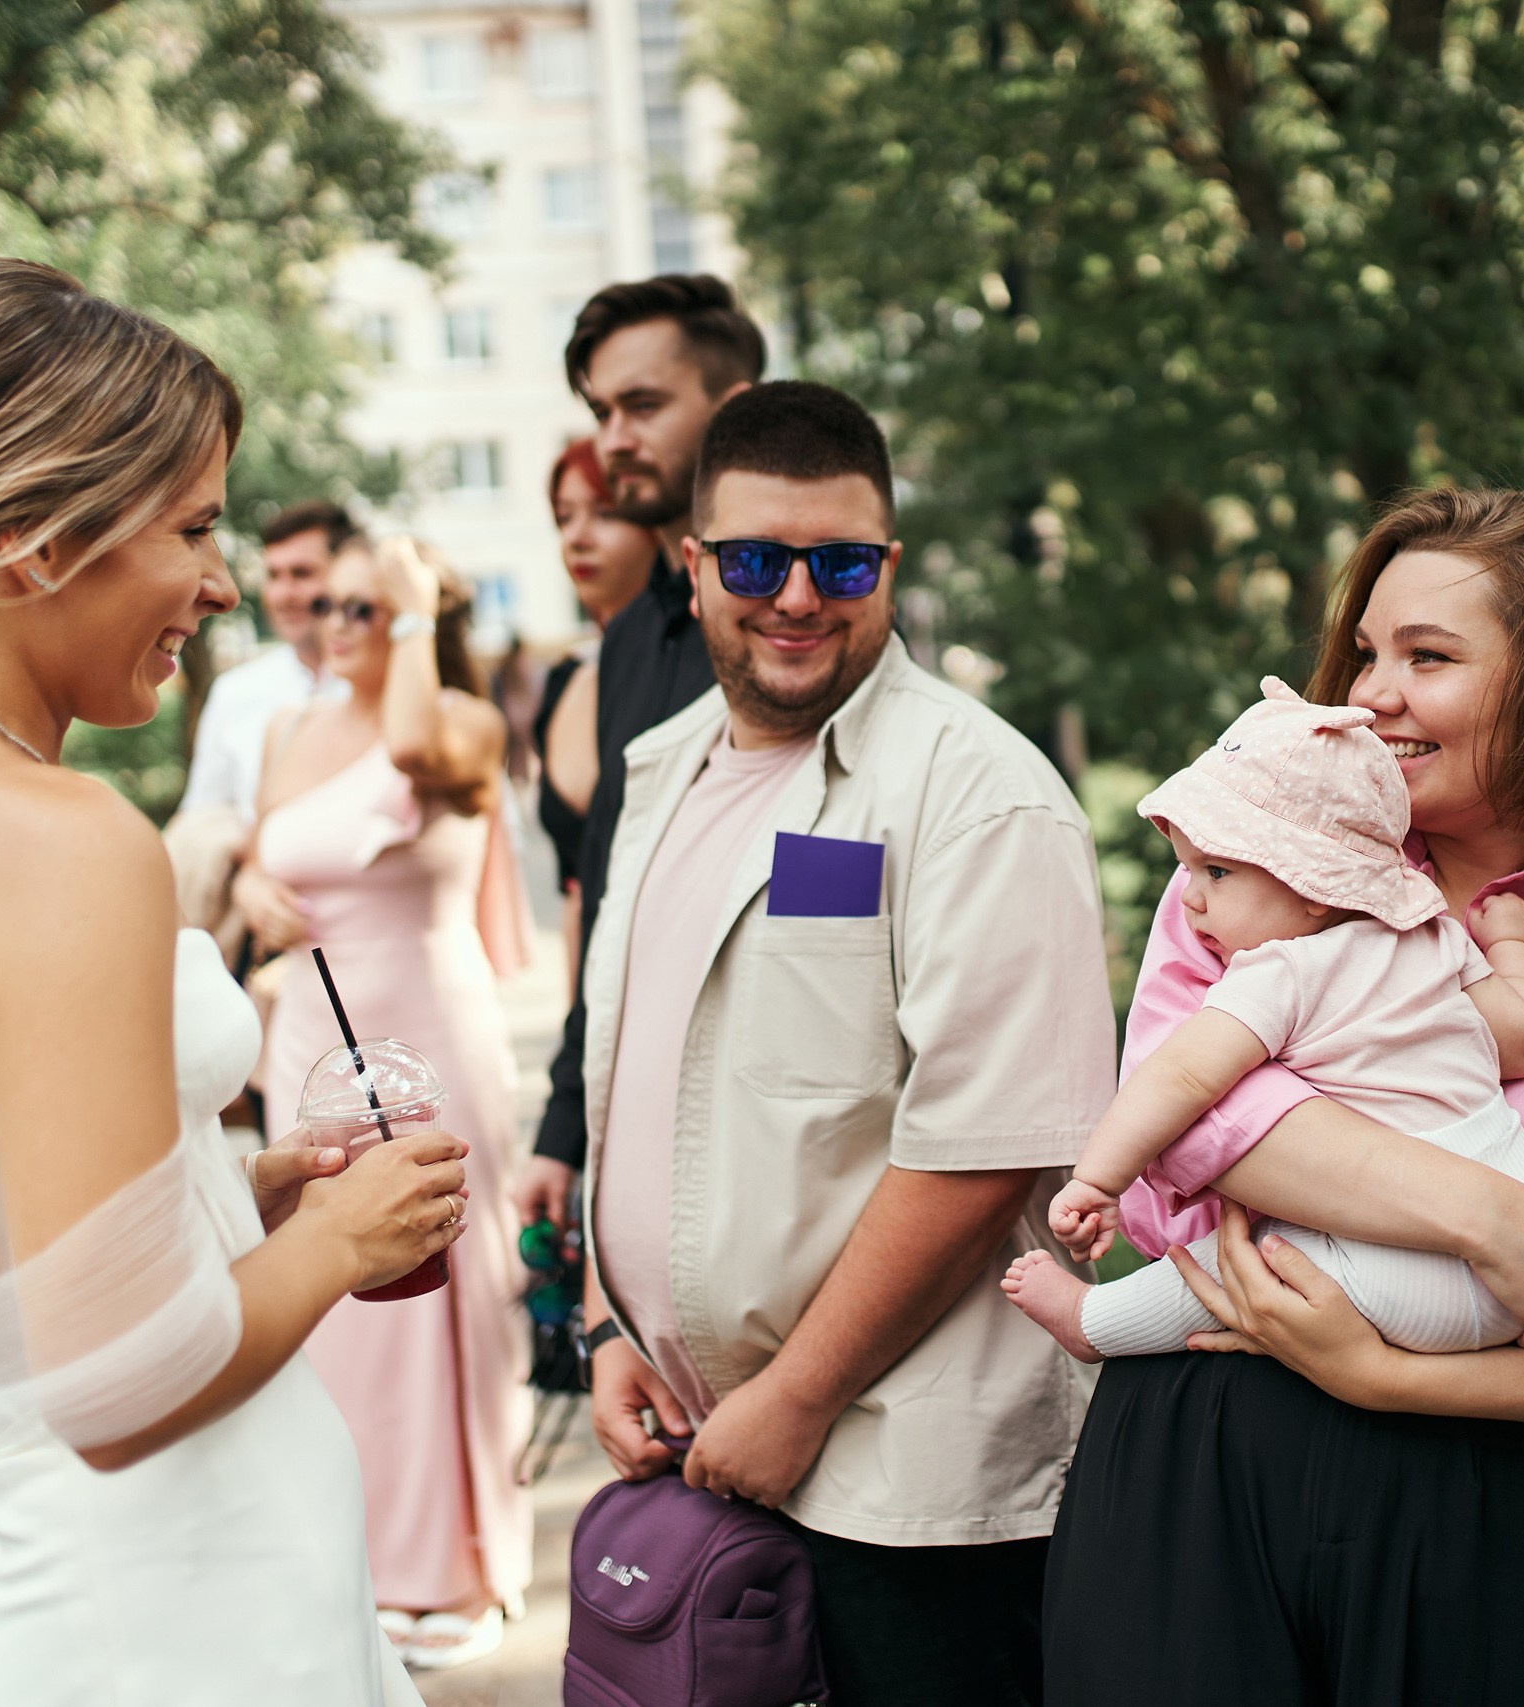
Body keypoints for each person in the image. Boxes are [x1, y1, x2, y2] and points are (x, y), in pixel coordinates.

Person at [0, 257, 468, 1706]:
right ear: (35, 538)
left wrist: (206, 1201)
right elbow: (114, 1388)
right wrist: (346, 1240)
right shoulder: (58, 839)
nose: (223, 581)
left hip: (67, 1579)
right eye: (191, 527)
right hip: (190, 1601)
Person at [1042, 489, 1524, 1703]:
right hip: (1198, 1462)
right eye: (1364, 655)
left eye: (1426, 658)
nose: (1369, 692)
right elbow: (1190, 1121)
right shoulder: (1254, 858)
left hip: (1479, 1505)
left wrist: (1394, 1378)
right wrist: (1492, 1219)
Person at [580, 383, 1118, 1706]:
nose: (801, 596)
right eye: (758, 559)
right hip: (709, 1432)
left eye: (845, 561)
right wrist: (608, 1329)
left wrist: (799, 1393)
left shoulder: (978, 793)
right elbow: (638, 1083)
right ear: (692, 564)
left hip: (911, 1484)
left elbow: (990, 1145)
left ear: (892, 562)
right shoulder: (663, 769)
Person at [1001, 679, 1524, 1568]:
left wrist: (1097, 1177)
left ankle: (1094, 1322)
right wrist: (1515, 948)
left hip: (1393, 1283)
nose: (1190, 900)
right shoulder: (1434, 944)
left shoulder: (1279, 976)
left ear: (1310, 889)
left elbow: (1179, 1077)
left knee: (1245, 1268)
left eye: (1216, 872)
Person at [235, 535, 533, 1671]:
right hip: (310, 1033)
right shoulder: (283, 729)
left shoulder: (460, 720)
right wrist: (255, 885)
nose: (338, 620)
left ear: (416, 613)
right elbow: (267, 855)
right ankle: (347, 1554)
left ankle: (451, 1561)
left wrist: (416, 615)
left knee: (438, 1289)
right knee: (320, 1283)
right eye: (331, 604)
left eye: (369, 604)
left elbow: (412, 746)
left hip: (422, 1025)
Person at [511, 276, 763, 1236]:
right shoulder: (627, 641)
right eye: (601, 410)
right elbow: (610, 902)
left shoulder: (793, 617)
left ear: (731, 408)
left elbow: (838, 866)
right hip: (641, 1120)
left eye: (643, 405)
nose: (614, 436)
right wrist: (563, 1125)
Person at [530, 438, 661, 987]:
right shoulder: (567, 680)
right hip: (597, 991)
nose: (577, 537)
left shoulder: (698, 673)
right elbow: (572, 893)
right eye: (564, 517)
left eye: (605, 513)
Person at [177, 500, 354, 830]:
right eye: (274, 575)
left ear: (346, 574)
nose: (284, 594)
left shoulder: (383, 683)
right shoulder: (236, 691)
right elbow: (201, 818)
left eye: (302, 574)